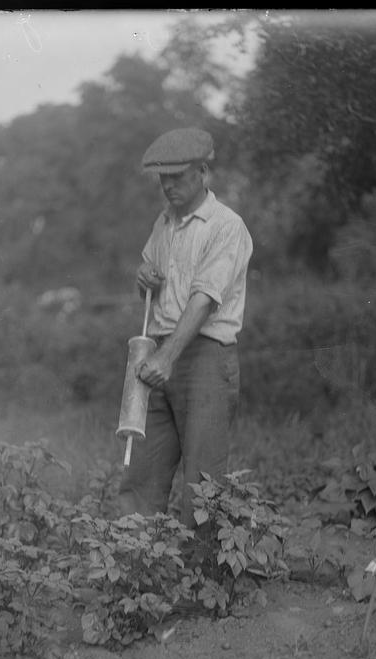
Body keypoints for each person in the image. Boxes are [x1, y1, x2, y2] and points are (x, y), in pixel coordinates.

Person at [118, 127, 253, 529]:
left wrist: (167, 357)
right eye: (163, 177)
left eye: (178, 176)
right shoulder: (163, 225)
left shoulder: (226, 226)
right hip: (158, 354)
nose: (168, 185)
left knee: (203, 480)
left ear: (204, 172)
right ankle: (131, 565)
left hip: (204, 360)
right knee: (142, 470)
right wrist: (144, 278)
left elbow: (204, 300)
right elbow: (152, 284)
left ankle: (200, 580)